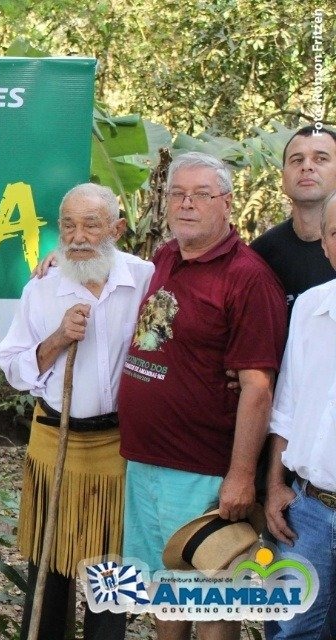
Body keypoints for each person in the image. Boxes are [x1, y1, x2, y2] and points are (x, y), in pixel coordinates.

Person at [117, 152, 287, 640]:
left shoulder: (247, 277)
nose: (186, 204)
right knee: (164, 591)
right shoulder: (166, 257)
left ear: (227, 203)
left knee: (212, 599)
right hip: (145, 461)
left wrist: (239, 477)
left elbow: (258, 387)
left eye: (201, 195)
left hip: (200, 469)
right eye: (177, 194)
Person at [0, 183, 153, 640]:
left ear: (117, 228)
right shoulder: (43, 288)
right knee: (50, 567)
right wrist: (59, 338)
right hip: (56, 441)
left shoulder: (146, 279)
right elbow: (13, 368)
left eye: (91, 224)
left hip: (119, 447)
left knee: (112, 572)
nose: (78, 236)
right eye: (68, 225)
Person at [262, 193, 336, 640]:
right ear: (325, 244)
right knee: (292, 630)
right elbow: (285, 408)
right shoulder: (310, 307)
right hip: (308, 509)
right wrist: (273, 486)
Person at [251, 126, 336, 313]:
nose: (306, 166)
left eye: (320, 159)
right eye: (297, 160)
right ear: (283, 177)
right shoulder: (261, 254)